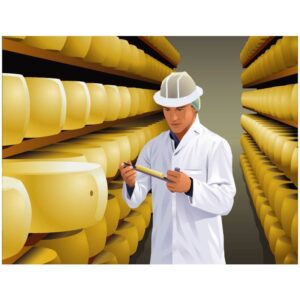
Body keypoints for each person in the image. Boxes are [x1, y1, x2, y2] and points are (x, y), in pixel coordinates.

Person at [119, 71, 236, 264]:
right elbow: (135, 199)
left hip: (202, 257)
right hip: (164, 255)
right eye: (167, 109)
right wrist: (131, 183)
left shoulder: (215, 145)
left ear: (195, 106)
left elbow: (225, 201)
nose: (173, 117)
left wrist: (190, 187)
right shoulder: (152, 148)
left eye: (180, 109)